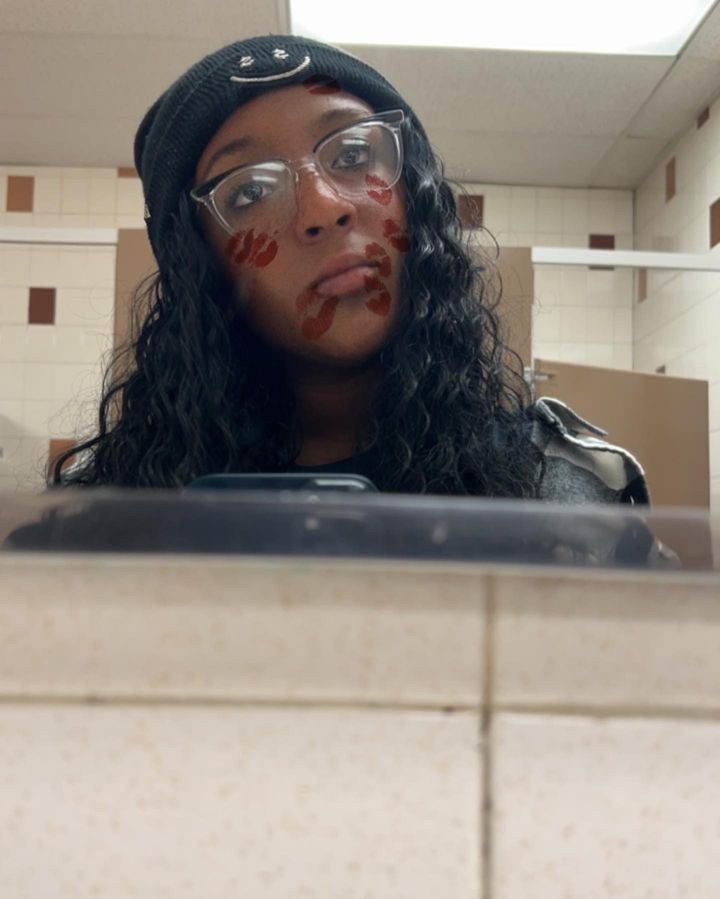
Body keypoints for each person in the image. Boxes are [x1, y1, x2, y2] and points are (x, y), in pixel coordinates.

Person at [50, 34, 649, 506]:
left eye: (354, 153)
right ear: (201, 265)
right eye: (250, 191)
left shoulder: (563, 487)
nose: (323, 207)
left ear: (415, 202)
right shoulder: (103, 516)